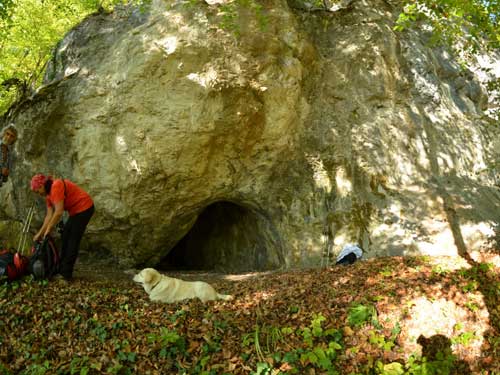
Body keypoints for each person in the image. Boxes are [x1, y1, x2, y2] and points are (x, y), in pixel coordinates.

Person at [31, 174, 94, 281]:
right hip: (75, 212)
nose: (39, 194)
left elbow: (59, 212)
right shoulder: (48, 196)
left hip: (85, 208)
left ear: (42, 185)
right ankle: (60, 268)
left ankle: (66, 275)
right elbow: (49, 216)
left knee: (72, 241)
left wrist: (48, 230)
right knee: (65, 237)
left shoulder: (56, 186)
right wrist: (40, 233)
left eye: (38, 191)